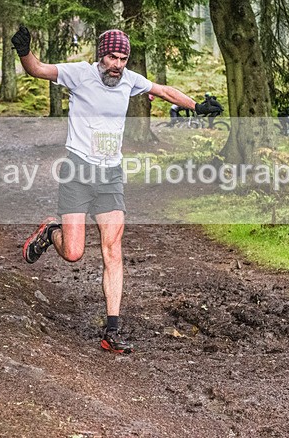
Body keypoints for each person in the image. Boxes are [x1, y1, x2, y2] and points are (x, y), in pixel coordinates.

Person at [12, 25, 222, 354]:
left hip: (110, 175)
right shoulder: (79, 74)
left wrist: (197, 106)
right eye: (112, 57)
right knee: (73, 253)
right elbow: (38, 69)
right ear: (101, 55)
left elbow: (165, 91)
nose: (118, 65)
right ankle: (51, 231)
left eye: (123, 59)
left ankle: (112, 330)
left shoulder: (129, 80)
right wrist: (25, 52)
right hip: (77, 172)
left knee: (113, 251)